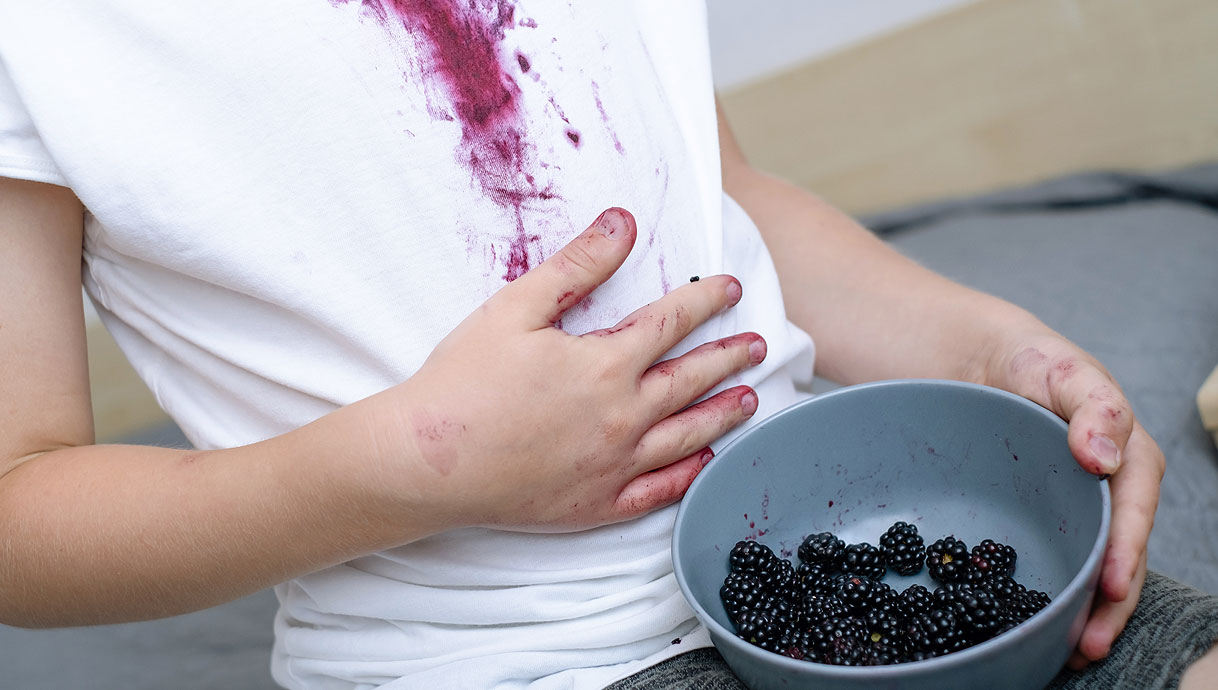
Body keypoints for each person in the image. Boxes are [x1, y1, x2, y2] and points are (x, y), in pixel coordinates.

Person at [0, 2, 1214, 689]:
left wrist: (989, 347)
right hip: (510, 667)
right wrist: (421, 461)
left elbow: (722, 199)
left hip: (839, 571)